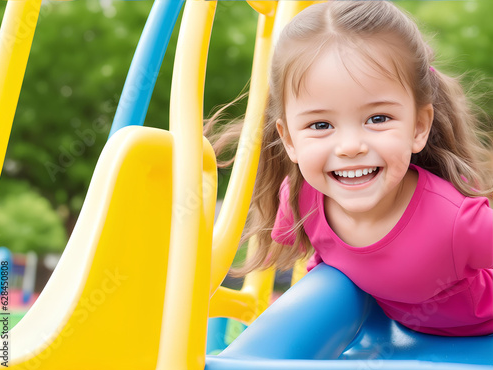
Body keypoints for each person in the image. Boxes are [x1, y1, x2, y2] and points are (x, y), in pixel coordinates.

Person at [206, 1, 493, 336]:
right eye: (321, 124)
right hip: (389, 337)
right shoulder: (301, 200)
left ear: (418, 127)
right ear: (290, 140)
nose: (350, 146)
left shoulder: (456, 222)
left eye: (377, 119)